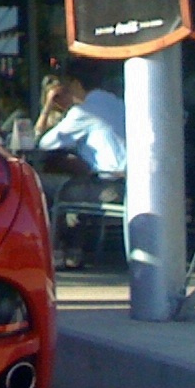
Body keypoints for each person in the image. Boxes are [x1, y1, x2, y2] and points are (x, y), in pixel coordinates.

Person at [35, 70, 126, 267]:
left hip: (109, 187)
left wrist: (50, 106)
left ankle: (56, 252)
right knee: (73, 188)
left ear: (76, 83)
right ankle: (74, 251)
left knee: (47, 187)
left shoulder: (85, 111)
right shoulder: (117, 103)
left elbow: (45, 143)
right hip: (129, 183)